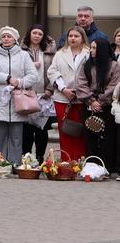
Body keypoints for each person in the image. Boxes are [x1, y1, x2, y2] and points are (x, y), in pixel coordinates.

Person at [0, 25, 38, 163]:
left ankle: (15, 163)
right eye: (4, 36)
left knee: (16, 136)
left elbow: (33, 75)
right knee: (0, 136)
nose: (6, 39)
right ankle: (0, 163)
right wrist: (7, 78)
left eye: (9, 36)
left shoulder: (23, 55)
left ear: (15, 39)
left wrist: (18, 82)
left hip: (17, 100)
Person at [74, 37, 120, 171]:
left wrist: (100, 101)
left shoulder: (114, 65)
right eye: (91, 47)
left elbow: (114, 86)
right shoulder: (86, 65)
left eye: (95, 48)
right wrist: (92, 101)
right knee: (90, 136)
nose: (92, 50)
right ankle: (91, 166)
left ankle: (107, 167)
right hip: (89, 105)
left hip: (107, 107)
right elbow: (81, 84)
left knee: (108, 138)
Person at [48, 25, 89, 163]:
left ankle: (79, 161)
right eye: (70, 36)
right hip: (62, 98)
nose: (72, 38)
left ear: (82, 38)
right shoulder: (60, 53)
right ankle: (66, 160)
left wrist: (81, 91)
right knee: (64, 130)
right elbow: (52, 72)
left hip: (82, 98)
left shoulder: (88, 53)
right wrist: (64, 89)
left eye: (76, 36)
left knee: (80, 130)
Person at [22, 24, 55, 157]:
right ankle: (27, 158)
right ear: (29, 34)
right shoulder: (21, 52)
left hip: (44, 96)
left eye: (40, 34)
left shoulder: (49, 53)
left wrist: (50, 90)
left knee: (42, 130)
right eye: (34, 33)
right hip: (26, 94)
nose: (37, 36)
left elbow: (54, 71)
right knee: (27, 130)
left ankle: (40, 157)